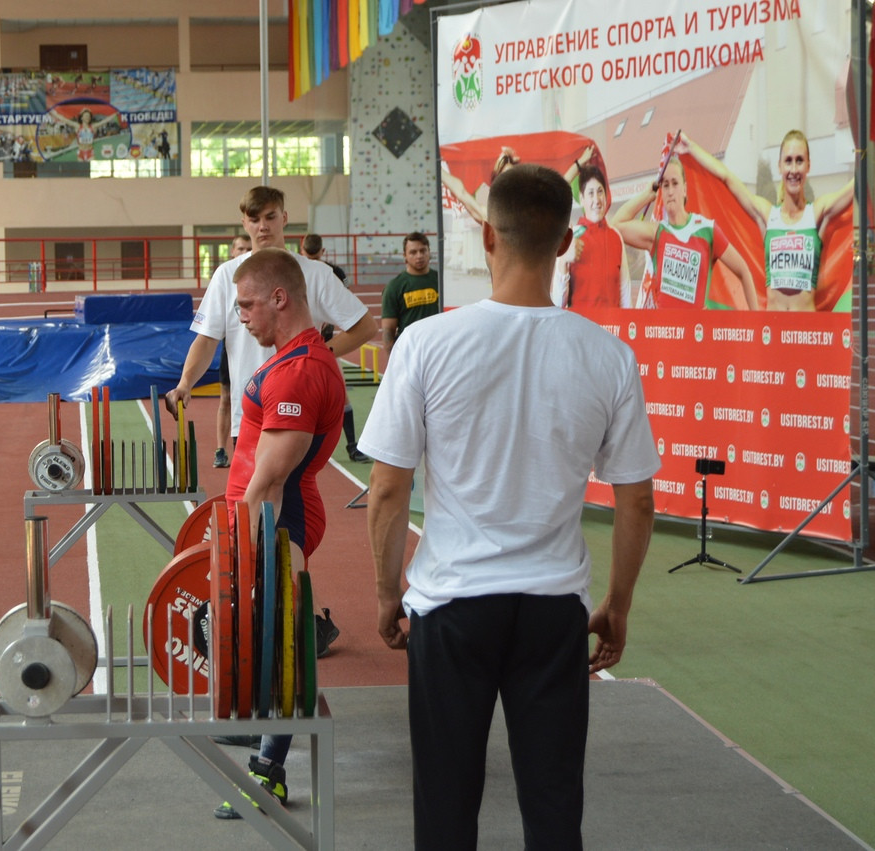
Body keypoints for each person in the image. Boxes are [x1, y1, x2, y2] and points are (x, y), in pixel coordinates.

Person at [360, 164, 659, 848]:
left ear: (488, 237)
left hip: (452, 605)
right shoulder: (607, 355)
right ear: (564, 244)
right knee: (554, 807)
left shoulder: (426, 343)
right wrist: (617, 602)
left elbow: (386, 488)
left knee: (445, 804)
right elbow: (636, 499)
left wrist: (386, 592)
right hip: (553, 611)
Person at [211, 247, 346, 820]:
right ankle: (271, 760)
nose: (240, 316)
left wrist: (240, 559)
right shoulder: (291, 359)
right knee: (274, 648)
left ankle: (269, 775)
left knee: (276, 650)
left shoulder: (299, 371)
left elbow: (269, 482)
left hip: (279, 520)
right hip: (267, 515)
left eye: (246, 305)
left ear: (279, 299)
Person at [168, 185, 374, 468]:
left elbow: (365, 326)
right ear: (244, 223)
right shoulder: (226, 276)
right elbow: (206, 340)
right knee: (248, 505)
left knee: (288, 501)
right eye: (254, 220)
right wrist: (185, 383)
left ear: (284, 217)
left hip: (299, 411)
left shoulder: (316, 274)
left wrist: (320, 353)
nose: (262, 226)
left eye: (270, 217)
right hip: (248, 414)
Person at [679, 129, 854, 311]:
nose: (793, 169)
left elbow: (856, 188)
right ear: (779, 166)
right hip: (772, 331)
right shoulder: (767, 215)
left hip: (806, 334)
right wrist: (690, 147)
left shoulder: (817, 213)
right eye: (788, 161)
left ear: (808, 166)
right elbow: (726, 177)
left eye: (799, 161)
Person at [612, 153, 758, 310]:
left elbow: (744, 271)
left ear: (685, 189)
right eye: (665, 185)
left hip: (696, 331)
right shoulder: (657, 233)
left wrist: (755, 324)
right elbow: (616, 225)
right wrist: (646, 196)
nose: (670, 191)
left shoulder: (707, 229)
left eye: (675, 183)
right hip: (666, 331)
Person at [300, 233, 369, 463]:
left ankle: (350, 445)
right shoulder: (300, 271)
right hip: (315, 346)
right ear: (323, 251)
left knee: (336, 397)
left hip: (323, 347)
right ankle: (350, 446)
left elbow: (346, 306)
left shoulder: (332, 274)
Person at [552, 162, 632, 309]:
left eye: (600, 191)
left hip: (612, 328)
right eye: (590, 193)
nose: (596, 200)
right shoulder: (571, 237)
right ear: (582, 199)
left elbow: (625, 295)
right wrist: (563, 261)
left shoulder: (616, 237)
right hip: (581, 329)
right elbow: (558, 303)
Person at [214, 234, 252, 469]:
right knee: (226, 399)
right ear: (232, 251)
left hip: (256, 351)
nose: (244, 252)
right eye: (240, 248)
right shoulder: (225, 277)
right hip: (232, 351)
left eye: (248, 248)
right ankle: (220, 449)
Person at [380, 232, 439, 350]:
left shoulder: (441, 280)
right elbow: (388, 330)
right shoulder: (394, 287)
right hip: (409, 350)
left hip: (438, 347)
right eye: (413, 252)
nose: (419, 256)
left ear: (429, 252)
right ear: (405, 256)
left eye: (423, 251)